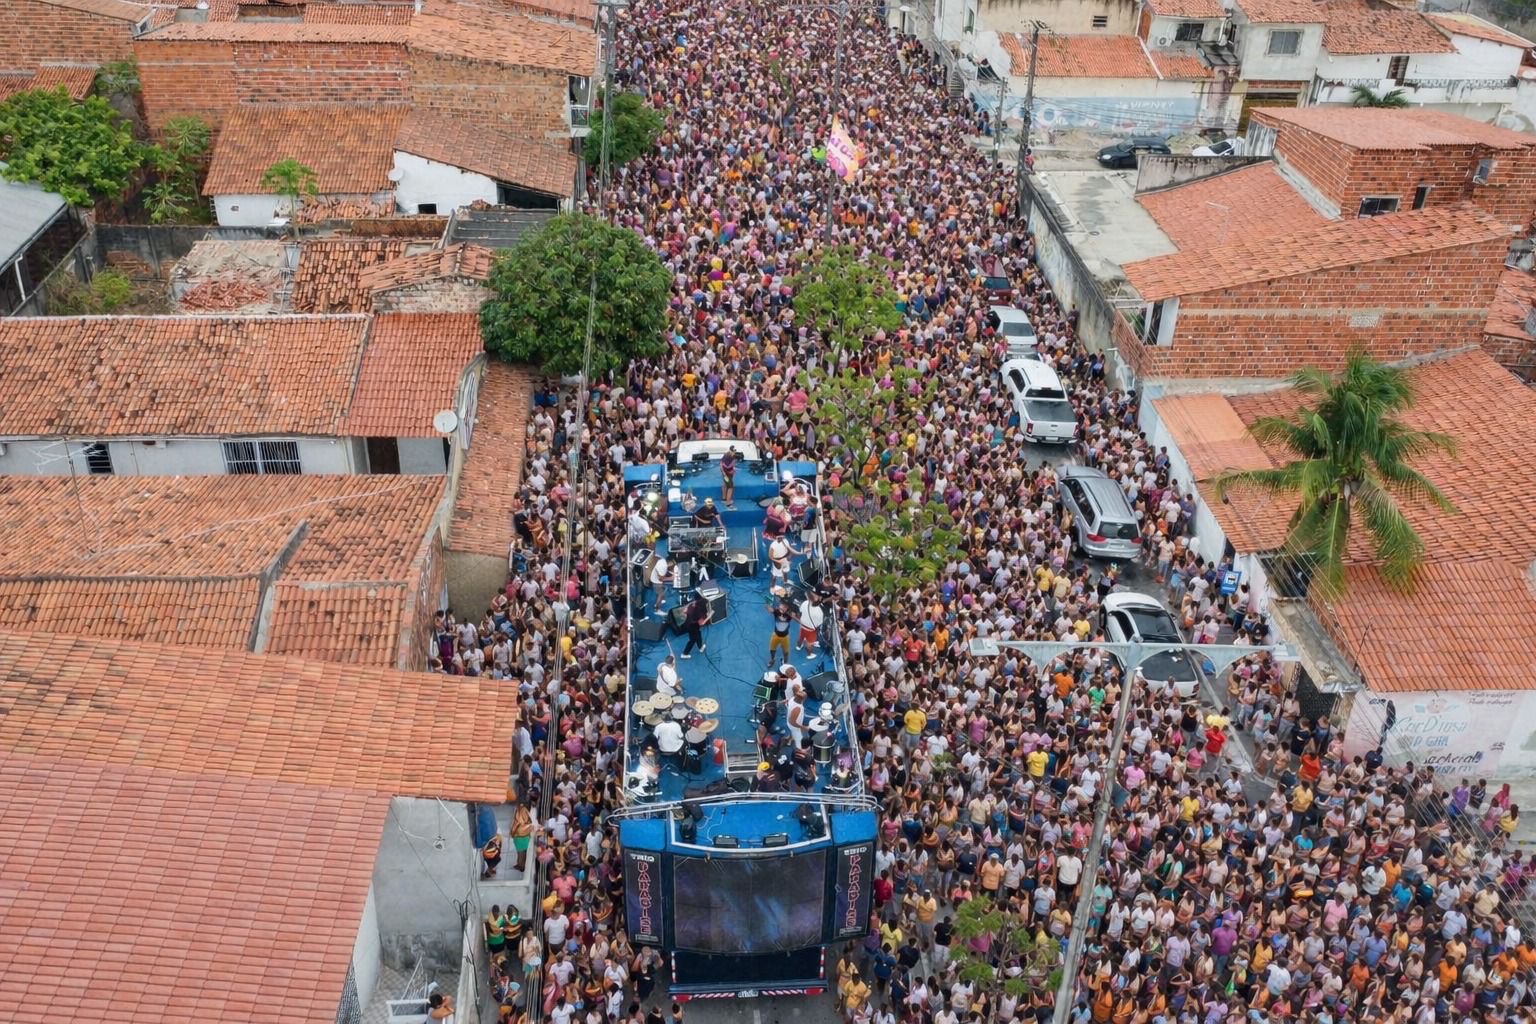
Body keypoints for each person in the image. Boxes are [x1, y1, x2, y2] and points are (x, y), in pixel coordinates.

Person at [680, 592, 711, 657]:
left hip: (688, 623)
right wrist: (709, 616)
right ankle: (684, 654)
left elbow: (684, 611)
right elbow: (702, 623)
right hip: (693, 626)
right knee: (692, 640)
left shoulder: (691, 604)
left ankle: (700, 647)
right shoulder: (698, 611)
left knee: (698, 634)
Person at [768, 594, 793, 667]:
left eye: (785, 606)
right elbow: (770, 610)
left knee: (786, 653)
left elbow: (792, 615)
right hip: (775, 635)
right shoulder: (776, 611)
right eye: (782, 605)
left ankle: (785, 664)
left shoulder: (789, 615)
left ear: (788, 608)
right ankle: (772, 659)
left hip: (785, 637)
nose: (782, 607)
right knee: (772, 650)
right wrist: (768, 604)